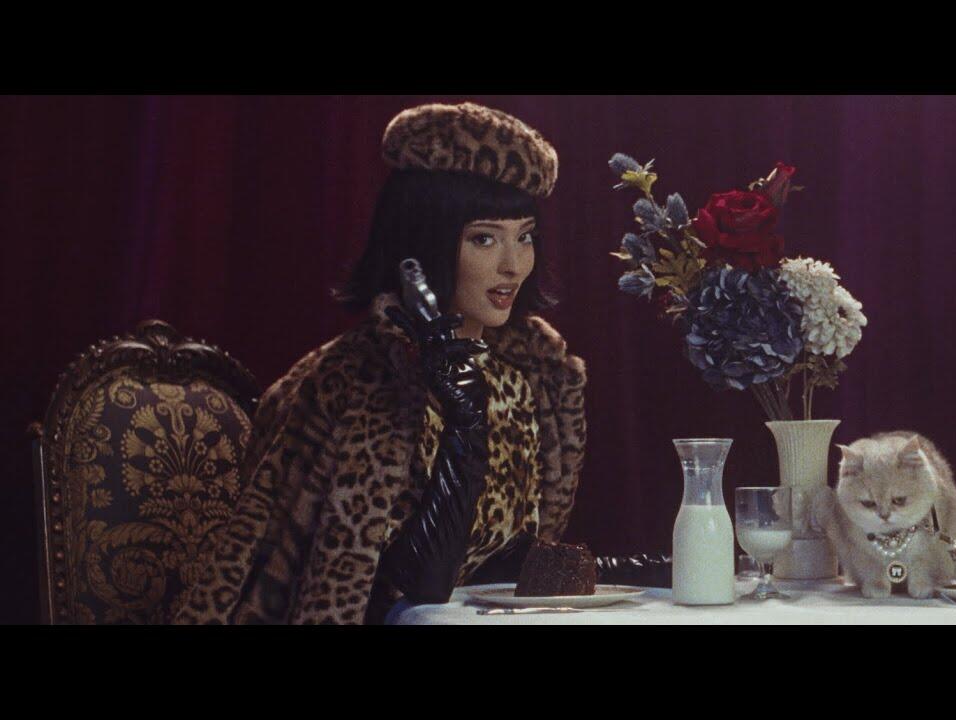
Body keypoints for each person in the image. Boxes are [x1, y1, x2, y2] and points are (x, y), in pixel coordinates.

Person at [172, 102, 668, 624]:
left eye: (524, 237)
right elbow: (420, 586)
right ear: (421, 246)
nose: (513, 265)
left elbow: (501, 565)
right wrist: (464, 426)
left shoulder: (530, 379)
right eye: (484, 238)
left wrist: (657, 569)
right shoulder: (356, 386)